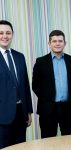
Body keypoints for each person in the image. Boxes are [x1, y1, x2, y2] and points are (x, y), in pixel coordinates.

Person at [32, 30, 71, 138]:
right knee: (47, 141)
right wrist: (47, 98)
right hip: (47, 109)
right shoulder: (40, 62)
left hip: (67, 108)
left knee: (68, 140)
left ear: (64, 43)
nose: (57, 43)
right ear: (49, 43)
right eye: (54, 41)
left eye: (60, 41)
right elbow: (35, 85)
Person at [0, 20, 33, 149]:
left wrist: (29, 111)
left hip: (21, 114)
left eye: (8, 33)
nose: (5, 36)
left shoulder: (20, 57)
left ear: (12, 34)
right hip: (2, 116)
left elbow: (25, 85)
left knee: (20, 147)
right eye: (1, 33)